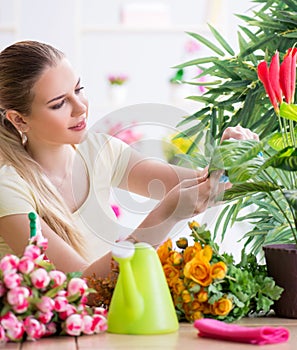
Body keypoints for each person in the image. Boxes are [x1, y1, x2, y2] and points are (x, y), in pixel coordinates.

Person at [0, 40, 258, 279]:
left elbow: (211, 186)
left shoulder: (98, 150)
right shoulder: (7, 189)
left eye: (79, 90)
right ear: (19, 119)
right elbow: (87, 288)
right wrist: (166, 215)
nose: (80, 108)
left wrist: (233, 159)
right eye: (59, 103)